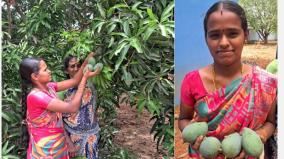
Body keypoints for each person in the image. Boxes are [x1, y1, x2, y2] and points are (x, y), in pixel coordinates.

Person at [178, 1, 277, 159]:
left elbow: (271, 122)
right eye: (215, 35)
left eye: (232, 34)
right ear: (206, 38)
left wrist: (260, 136)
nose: (224, 43)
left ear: (245, 35)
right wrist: (192, 133)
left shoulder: (264, 83)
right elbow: (183, 119)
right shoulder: (192, 81)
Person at [19, 52, 100, 159]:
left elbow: (75, 81)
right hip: (45, 152)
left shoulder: (50, 87)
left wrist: (85, 62)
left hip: (58, 148)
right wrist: (84, 78)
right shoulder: (36, 96)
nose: (49, 71)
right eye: (45, 70)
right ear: (35, 76)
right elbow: (72, 107)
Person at [62, 55, 100, 158]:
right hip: (73, 138)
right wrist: (68, 142)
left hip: (92, 136)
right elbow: (58, 120)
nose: (76, 69)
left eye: (78, 65)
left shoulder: (90, 86)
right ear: (66, 70)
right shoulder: (63, 91)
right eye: (72, 66)